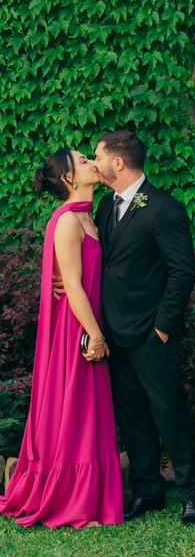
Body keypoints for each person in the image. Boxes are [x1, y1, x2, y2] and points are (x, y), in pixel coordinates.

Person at [0, 150, 124, 528]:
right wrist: (96, 335)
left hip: (88, 322)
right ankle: (70, 495)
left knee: (89, 408)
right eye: (84, 160)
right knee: (75, 407)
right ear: (69, 178)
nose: (92, 162)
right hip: (76, 329)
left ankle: (90, 492)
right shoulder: (68, 221)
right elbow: (70, 285)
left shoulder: (91, 214)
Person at [93, 131, 195, 525]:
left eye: (98, 157)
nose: (95, 164)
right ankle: (147, 492)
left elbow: (183, 271)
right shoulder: (104, 206)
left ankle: (192, 494)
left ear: (118, 162)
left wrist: (162, 327)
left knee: (169, 412)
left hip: (152, 334)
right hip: (115, 333)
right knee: (133, 417)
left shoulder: (164, 208)